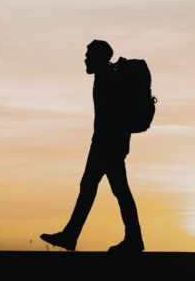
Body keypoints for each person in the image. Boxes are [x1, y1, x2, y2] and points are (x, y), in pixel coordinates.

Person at [40, 39, 144, 252]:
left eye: (89, 55)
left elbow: (113, 118)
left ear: (100, 57)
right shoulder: (105, 77)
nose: (85, 59)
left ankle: (74, 236)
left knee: (99, 189)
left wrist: (107, 145)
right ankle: (130, 238)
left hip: (106, 146)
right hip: (108, 145)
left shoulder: (107, 79)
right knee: (110, 190)